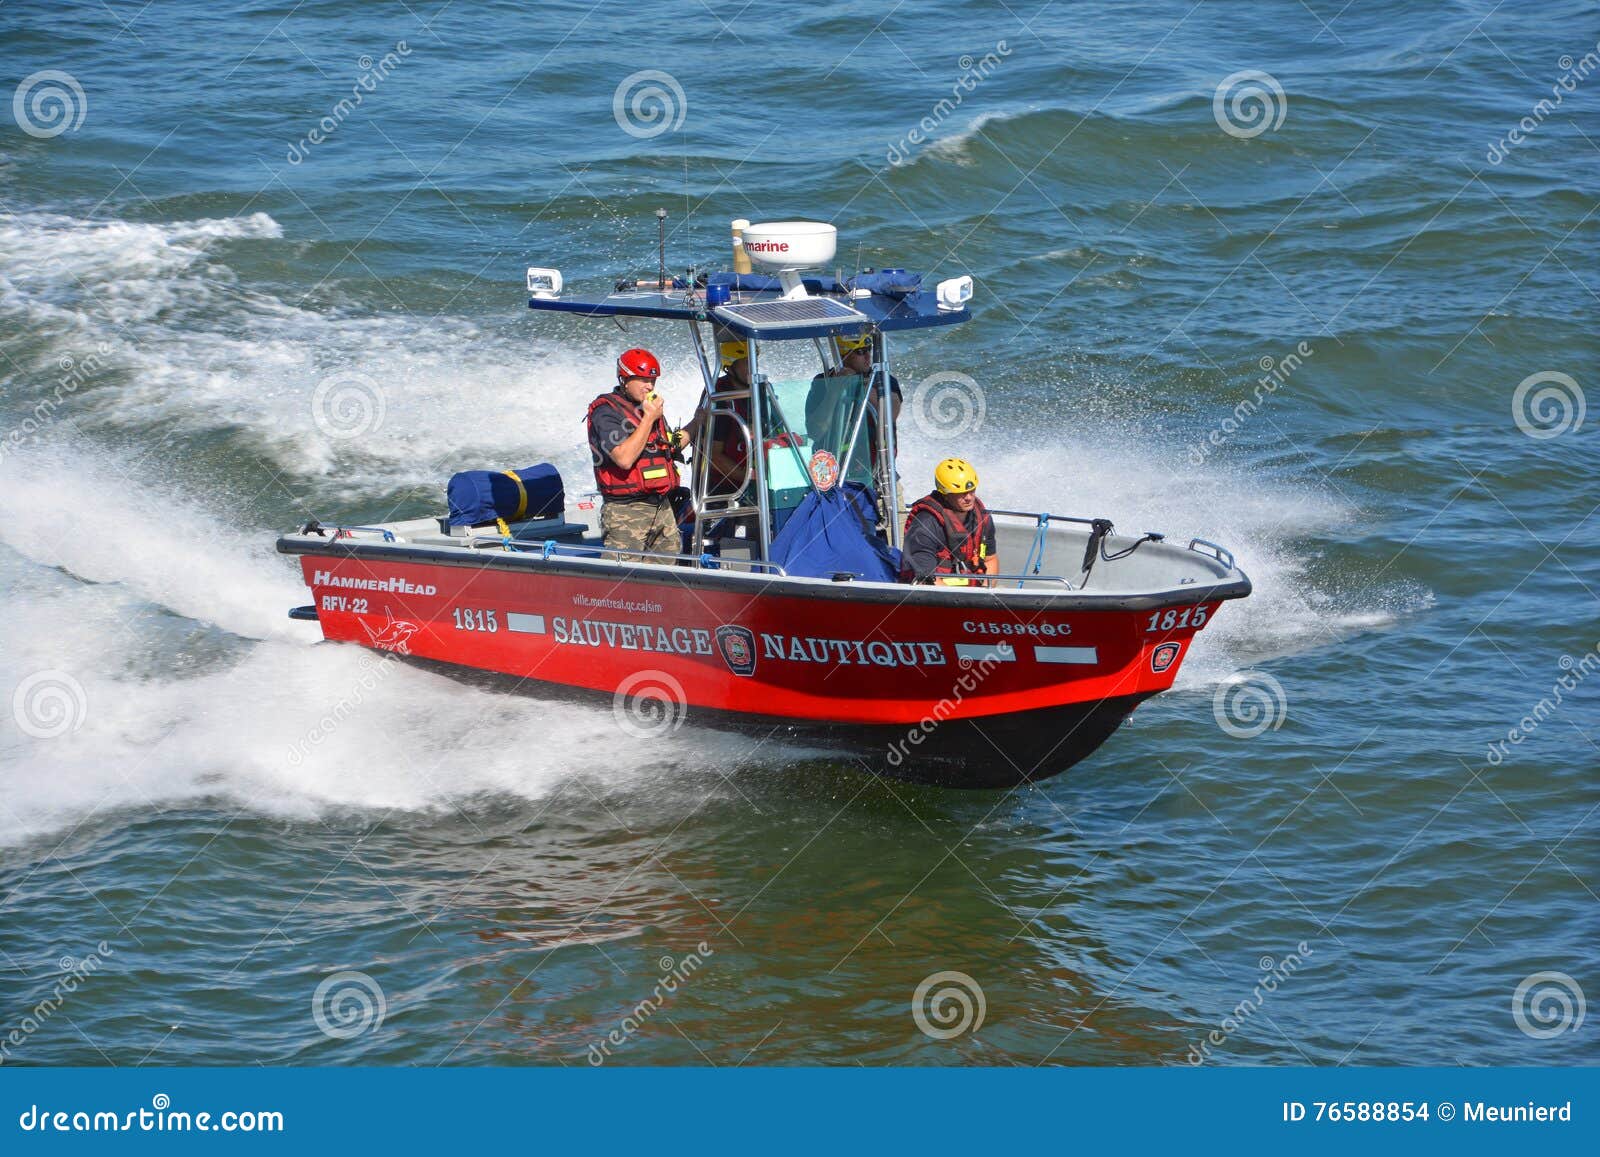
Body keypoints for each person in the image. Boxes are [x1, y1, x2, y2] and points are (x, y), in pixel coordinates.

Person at [585, 347, 683, 561]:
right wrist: (648, 418)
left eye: (653, 381)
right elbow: (623, 458)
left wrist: (698, 422)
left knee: (667, 575)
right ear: (625, 379)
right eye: (643, 380)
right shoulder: (606, 411)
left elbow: (670, 443)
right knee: (623, 579)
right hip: (626, 511)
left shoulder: (649, 409)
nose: (650, 386)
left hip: (661, 508)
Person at [899, 457, 999, 586]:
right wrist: (960, 601)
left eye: (971, 491)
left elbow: (990, 560)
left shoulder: (983, 518)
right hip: (937, 597)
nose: (969, 498)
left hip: (972, 594)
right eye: (961, 493)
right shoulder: (926, 523)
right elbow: (927, 577)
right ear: (945, 494)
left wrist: (985, 591)